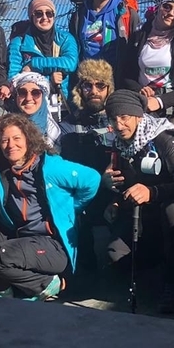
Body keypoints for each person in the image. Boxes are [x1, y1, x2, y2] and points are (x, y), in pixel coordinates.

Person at [0, 113, 100, 300]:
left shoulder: (51, 167)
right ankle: (2, 288)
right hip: (20, 238)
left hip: (51, 245)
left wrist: (72, 209)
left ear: (28, 139)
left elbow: (92, 179)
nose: (11, 145)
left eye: (16, 138)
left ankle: (46, 284)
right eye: (4, 140)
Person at [103, 89, 174, 313]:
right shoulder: (120, 144)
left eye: (125, 117)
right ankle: (160, 254)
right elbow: (125, 182)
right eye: (113, 118)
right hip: (144, 214)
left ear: (139, 116)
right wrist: (116, 201)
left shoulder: (166, 140)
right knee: (115, 257)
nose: (119, 125)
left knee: (171, 211)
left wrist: (153, 192)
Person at [59, 59, 117, 270]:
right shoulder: (67, 125)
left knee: (117, 259)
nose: (94, 90)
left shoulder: (120, 121)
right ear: (79, 89)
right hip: (80, 199)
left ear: (109, 88)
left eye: (100, 85)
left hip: (115, 197)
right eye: (87, 85)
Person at [121, 0, 174, 122]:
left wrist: (160, 101)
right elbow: (127, 73)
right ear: (158, 7)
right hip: (142, 106)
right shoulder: (139, 37)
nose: (171, 13)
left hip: (172, 111)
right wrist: (140, 90)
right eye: (167, 7)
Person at [9, 0, 79, 103]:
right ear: (31, 17)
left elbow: (70, 63)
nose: (45, 17)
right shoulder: (18, 43)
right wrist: (48, 81)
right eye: (38, 13)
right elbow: (14, 78)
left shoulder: (66, 38)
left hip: (63, 102)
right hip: (29, 103)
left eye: (49, 13)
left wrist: (33, 64)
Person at [69, 0, 140, 65]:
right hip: (87, 77)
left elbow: (137, 48)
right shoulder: (79, 16)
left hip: (117, 77)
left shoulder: (126, 14)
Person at [7, 71, 62, 148]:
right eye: (22, 92)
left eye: (35, 93)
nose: (28, 98)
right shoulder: (4, 124)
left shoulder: (53, 132)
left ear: (43, 96)